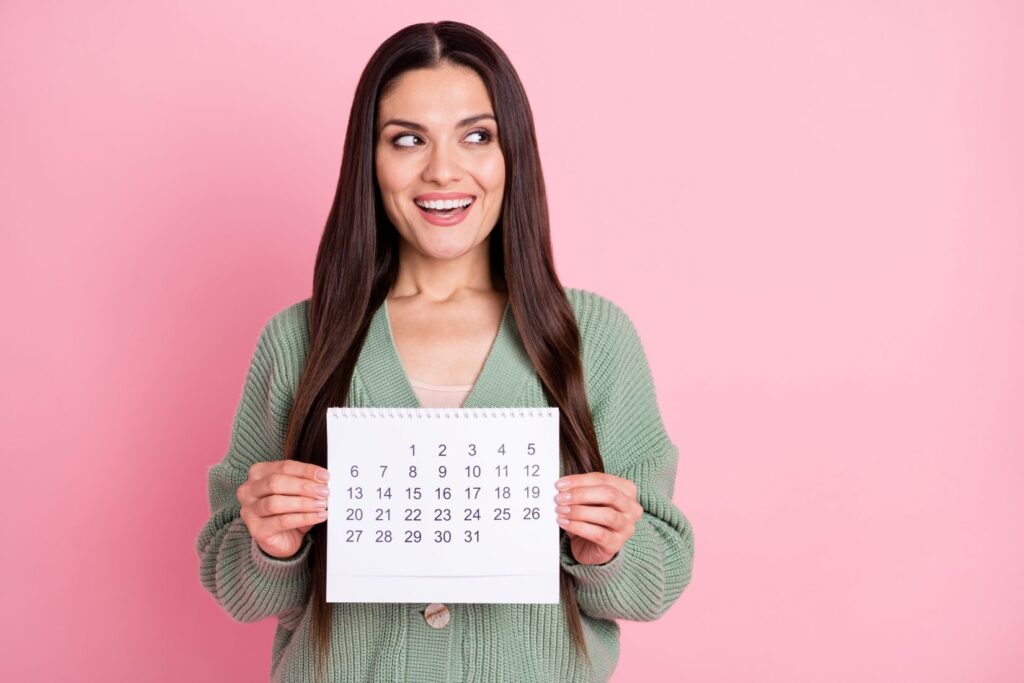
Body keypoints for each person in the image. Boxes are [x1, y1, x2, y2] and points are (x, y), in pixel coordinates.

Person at [196, 20, 695, 683]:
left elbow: (656, 581)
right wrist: (271, 545)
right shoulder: (299, 341)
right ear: (369, 160)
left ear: (512, 152)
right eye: (407, 139)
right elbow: (237, 586)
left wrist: (608, 550)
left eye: (477, 136)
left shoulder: (592, 337)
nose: (442, 170)